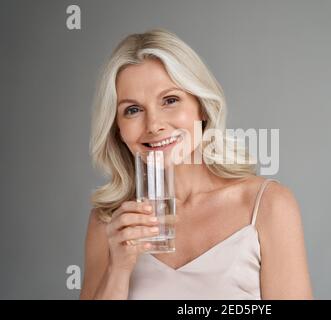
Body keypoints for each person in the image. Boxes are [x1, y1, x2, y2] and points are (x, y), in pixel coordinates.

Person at [80, 28, 312, 300]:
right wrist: (118, 270)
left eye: (170, 100)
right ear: (118, 127)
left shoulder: (268, 205)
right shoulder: (108, 221)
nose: (154, 125)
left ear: (200, 106)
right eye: (133, 110)